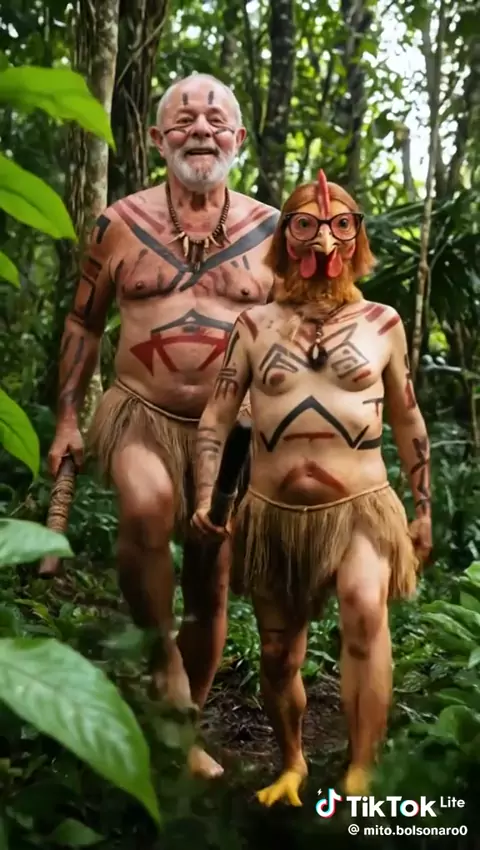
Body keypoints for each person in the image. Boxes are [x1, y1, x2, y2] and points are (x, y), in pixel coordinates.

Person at [48, 72, 279, 779]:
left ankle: (182, 734)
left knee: (211, 578)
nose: (200, 129)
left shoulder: (274, 232)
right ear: (156, 138)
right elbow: (84, 322)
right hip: (139, 411)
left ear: (238, 137)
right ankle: (162, 665)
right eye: (183, 119)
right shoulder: (119, 223)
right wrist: (67, 416)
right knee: (146, 507)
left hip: (230, 430)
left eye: (215, 119)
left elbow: (304, 335)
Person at [192, 170, 432, 804]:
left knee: (365, 609)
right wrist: (206, 497)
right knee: (277, 655)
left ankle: (362, 767)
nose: (324, 240)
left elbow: (408, 417)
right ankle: (292, 762)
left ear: (355, 239)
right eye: (306, 225)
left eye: (340, 226)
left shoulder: (382, 323)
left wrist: (424, 507)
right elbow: (217, 417)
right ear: (285, 238)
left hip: (361, 507)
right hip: (273, 514)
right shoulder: (253, 326)